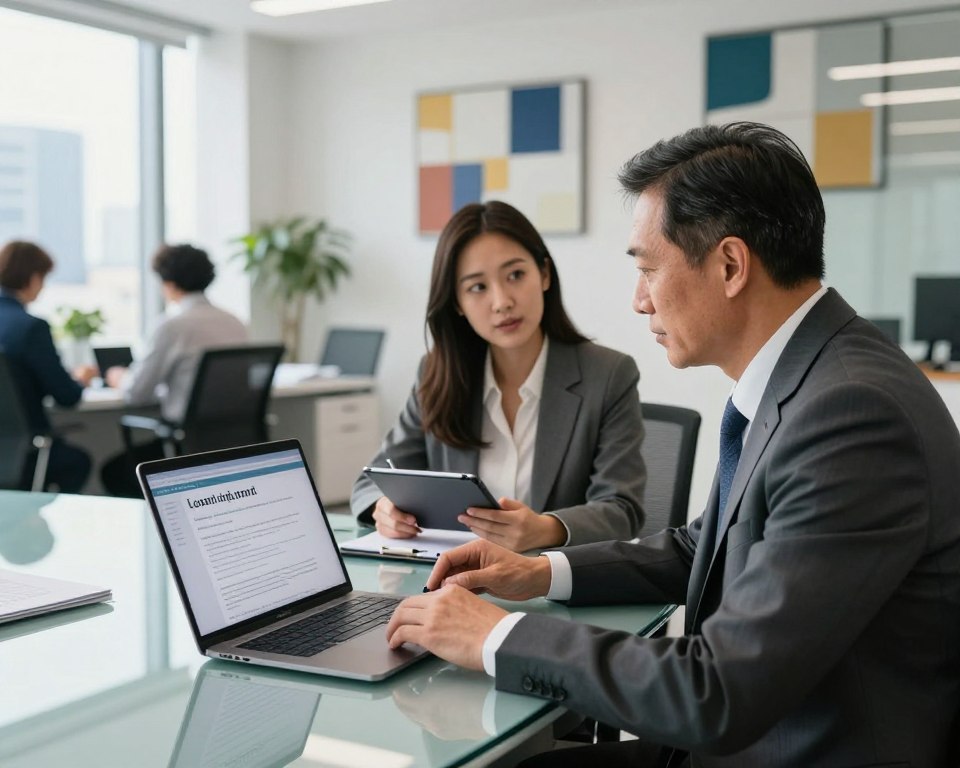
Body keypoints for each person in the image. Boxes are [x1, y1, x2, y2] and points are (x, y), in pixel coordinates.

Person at [384, 123, 960, 765]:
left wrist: (498, 636)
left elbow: (717, 691)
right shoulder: (810, 376)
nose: (637, 301)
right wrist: (540, 573)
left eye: (648, 270)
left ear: (731, 265)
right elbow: (705, 546)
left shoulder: (853, 415)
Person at [350, 201, 646, 552]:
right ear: (457, 302)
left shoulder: (608, 375)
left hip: (553, 586)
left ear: (545, 275)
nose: (502, 301)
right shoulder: (437, 374)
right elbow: (371, 482)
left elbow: (621, 510)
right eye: (477, 287)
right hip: (453, 581)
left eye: (516, 275)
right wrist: (382, 509)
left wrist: (546, 529)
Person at [100, 243, 247, 496]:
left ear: (168, 283)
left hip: (183, 444)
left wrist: (119, 377)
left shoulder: (172, 326)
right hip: (230, 443)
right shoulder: (234, 322)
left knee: (113, 472)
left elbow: (136, 394)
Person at [0, 240, 96, 493]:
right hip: (26, 451)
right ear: (33, 278)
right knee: (77, 462)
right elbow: (67, 396)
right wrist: (81, 379)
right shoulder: (31, 327)